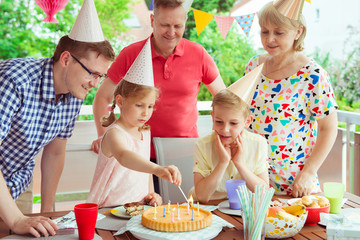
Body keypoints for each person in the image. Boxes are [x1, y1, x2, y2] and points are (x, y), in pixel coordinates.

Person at [0, 0, 115, 236]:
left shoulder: (75, 93)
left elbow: (55, 152)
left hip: (18, 186)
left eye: (101, 76)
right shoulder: (14, 81)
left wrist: (47, 213)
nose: (95, 84)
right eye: (92, 73)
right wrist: (16, 219)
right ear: (66, 59)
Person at [91, 0, 226, 161]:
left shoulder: (199, 54)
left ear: (185, 22)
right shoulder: (130, 54)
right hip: (137, 153)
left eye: (177, 26)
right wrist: (103, 136)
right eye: (165, 25)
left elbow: (223, 98)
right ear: (152, 20)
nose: (171, 32)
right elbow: (102, 96)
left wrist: (222, 134)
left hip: (186, 152)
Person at [245, 1, 338, 197]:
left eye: (279, 33)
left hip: (295, 184)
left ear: (297, 32)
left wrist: (309, 172)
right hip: (254, 179)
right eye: (264, 31)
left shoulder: (313, 74)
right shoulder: (253, 66)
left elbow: (329, 128)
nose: (270, 39)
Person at [87, 39, 181, 208]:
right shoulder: (114, 133)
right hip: (108, 210)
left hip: (136, 209)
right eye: (139, 105)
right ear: (120, 101)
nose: (146, 112)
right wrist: (158, 169)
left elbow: (143, 172)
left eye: (150, 106)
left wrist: (151, 194)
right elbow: (124, 156)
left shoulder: (144, 132)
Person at [190, 66, 269, 203]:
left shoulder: (258, 143)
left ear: (247, 121)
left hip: (243, 211)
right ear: (212, 117)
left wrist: (239, 163)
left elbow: (263, 193)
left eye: (233, 123)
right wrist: (223, 162)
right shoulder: (202, 145)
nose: (225, 130)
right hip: (208, 209)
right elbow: (202, 197)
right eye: (219, 122)